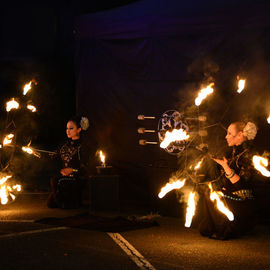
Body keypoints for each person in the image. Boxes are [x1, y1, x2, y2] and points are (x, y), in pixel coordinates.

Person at [199, 121, 257, 240]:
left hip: (243, 200)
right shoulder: (235, 151)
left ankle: (232, 226)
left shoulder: (248, 155)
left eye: (230, 133)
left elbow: (241, 186)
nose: (226, 136)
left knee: (213, 194)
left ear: (240, 135)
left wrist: (225, 167)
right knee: (209, 190)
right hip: (231, 194)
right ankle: (218, 226)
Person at [47, 116, 90, 209]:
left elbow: (86, 167)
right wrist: (35, 153)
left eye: (71, 128)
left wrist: (72, 170)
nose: (68, 131)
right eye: (67, 128)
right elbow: (53, 157)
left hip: (78, 177)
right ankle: (65, 202)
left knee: (55, 181)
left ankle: (70, 202)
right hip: (64, 177)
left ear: (79, 130)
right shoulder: (63, 145)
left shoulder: (84, 146)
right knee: (51, 204)